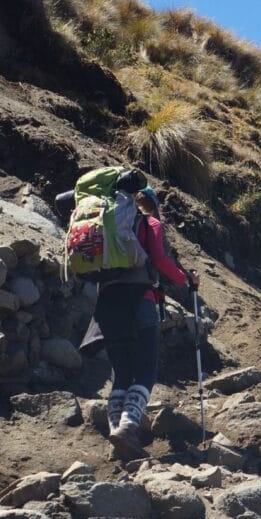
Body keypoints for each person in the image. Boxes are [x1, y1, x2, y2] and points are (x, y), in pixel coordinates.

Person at [86, 176, 200, 460]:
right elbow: (161, 262)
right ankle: (127, 427)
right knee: (146, 371)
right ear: (151, 203)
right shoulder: (149, 222)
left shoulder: (104, 224)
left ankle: (118, 433)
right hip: (140, 300)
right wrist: (186, 280)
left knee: (122, 373)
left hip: (107, 303)